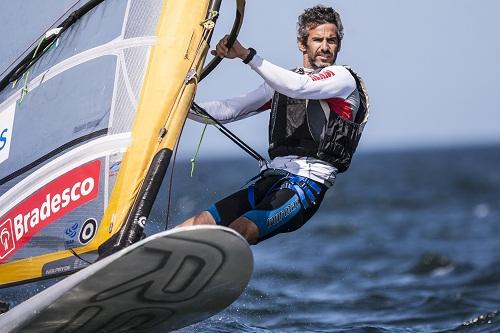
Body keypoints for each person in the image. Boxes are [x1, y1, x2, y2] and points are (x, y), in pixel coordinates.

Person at [178, 5, 369, 245]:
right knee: (192, 227)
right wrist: (179, 106)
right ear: (302, 43)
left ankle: (201, 272)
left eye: (331, 40)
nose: (325, 47)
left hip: (306, 185)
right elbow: (231, 109)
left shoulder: (342, 78)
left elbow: (299, 87)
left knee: (237, 231)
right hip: (271, 179)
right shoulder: (283, 82)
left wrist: (247, 55)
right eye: (317, 39)